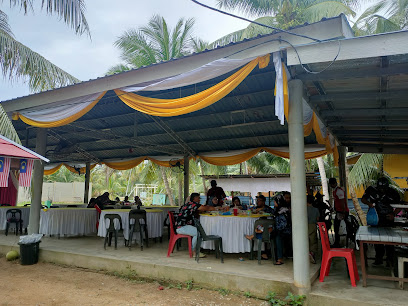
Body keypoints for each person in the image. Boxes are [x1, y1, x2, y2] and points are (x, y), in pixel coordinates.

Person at [362, 177, 401, 266]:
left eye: (384, 189)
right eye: (381, 189)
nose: (382, 190)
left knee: (390, 240)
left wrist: (393, 214)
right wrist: (369, 204)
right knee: (377, 240)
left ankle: (389, 260)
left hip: (388, 218)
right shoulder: (371, 189)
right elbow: (363, 199)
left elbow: (400, 205)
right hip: (375, 218)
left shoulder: (393, 192)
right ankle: (378, 259)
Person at [175, 192, 227, 258]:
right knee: (197, 232)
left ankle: (196, 249)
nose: (199, 199)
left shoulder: (189, 204)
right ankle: (194, 252)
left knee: (198, 231)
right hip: (181, 227)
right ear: (194, 198)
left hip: (181, 225)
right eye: (198, 198)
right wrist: (217, 208)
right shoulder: (193, 204)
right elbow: (206, 208)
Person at [329, 178, 350, 248]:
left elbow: (342, 202)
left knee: (340, 227)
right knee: (336, 227)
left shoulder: (339, 191)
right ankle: (337, 242)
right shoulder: (335, 191)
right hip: (339, 211)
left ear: (333, 184)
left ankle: (340, 242)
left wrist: (343, 212)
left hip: (342, 211)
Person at [307, 195, 320, 264]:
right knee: (313, 240)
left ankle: (307, 253)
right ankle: (312, 253)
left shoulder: (304, 209)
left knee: (306, 240)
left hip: (305, 225)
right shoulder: (316, 209)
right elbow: (317, 218)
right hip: (313, 225)